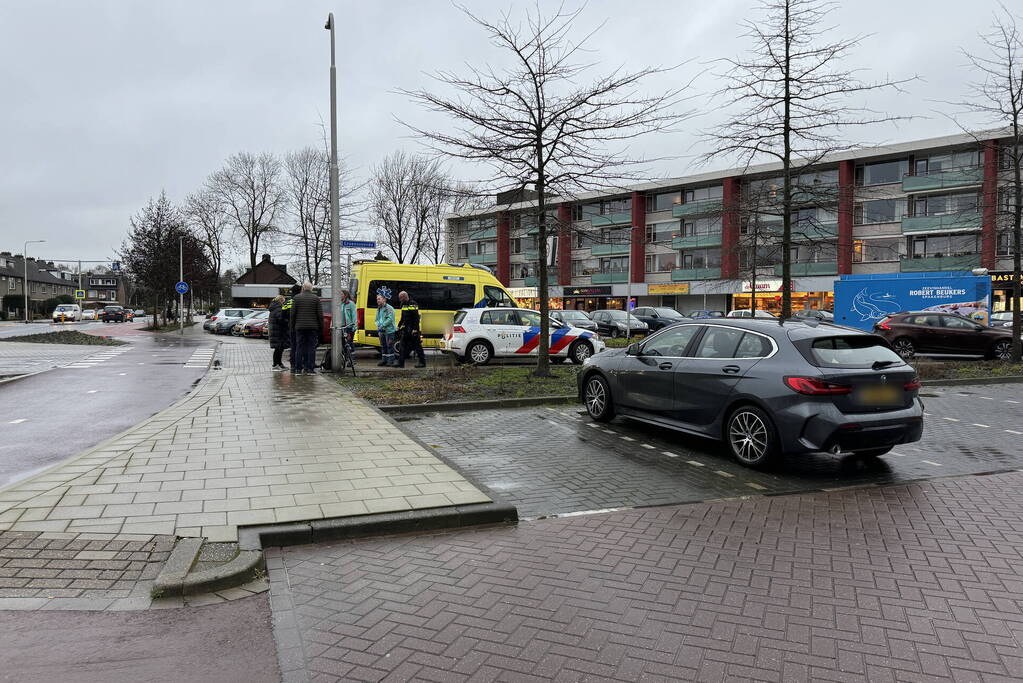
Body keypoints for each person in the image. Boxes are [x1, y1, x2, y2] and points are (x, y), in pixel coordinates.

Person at [290, 282, 324, 375]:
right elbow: (320, 315)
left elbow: (292, 314)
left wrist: (292, 327)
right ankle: (309, 369)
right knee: (311, 347)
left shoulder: (296, 298)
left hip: (299, 327)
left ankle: (298, 369)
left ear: (303, 288)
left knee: (299, 347)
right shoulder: (316, 299)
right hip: (312, 327)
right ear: (311, 289)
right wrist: (321, 327)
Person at [396, 290, 426, 368]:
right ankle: (400, 363)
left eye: (400, 298)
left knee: (417, 346)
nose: (399, 299)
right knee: (402, 346)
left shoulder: (413, 304)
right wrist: (399, 326)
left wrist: (415, 329)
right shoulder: (403, 304)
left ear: (404, 297)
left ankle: (422, 363)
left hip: (413, 329)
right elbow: (402, 317)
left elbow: (416, 317)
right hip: (406, 329)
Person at [267, 295, 290, 371]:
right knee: (278, 349)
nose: (284, 303)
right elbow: (281, 319)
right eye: (283, 301)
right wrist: (287, 320)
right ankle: (276, 364)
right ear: (280, 301)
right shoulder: (278, 309)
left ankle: (279, 363)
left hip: (276, 331)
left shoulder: (275, 308)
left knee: (279, 348)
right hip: (278, 331)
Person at [283, 284, 301, 373]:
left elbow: (283, 315)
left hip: (291, 327)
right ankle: (300, 364)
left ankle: (293, 365)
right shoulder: (300, 300)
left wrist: (288, 323)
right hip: (300, 326)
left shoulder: (288, 301)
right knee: (300, 346)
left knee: (293, 346)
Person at [375, 293, 396, 367]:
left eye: (379, 299)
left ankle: (391, 361)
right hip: (381, 331)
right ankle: (384, 360)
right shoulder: (379, 308)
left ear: (384, 299)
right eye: (377, 299)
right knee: (383, 346)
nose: (378, 300)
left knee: (389, 346)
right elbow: (376, 319)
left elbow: (390, 319)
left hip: (389, 331)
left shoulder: (389, 308)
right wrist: (378, 325)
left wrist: (382, 325)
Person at [340, 289, 357, 367]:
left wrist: (354, 325)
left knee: (349, 343)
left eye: (341, 294)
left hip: (349, 327)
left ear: (345, 295)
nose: (340, 295)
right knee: (343, 344)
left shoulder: (350, 304)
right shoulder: (340, 304)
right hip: (341, 327)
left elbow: (354, 315)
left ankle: (352, 360)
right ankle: (345, 359)